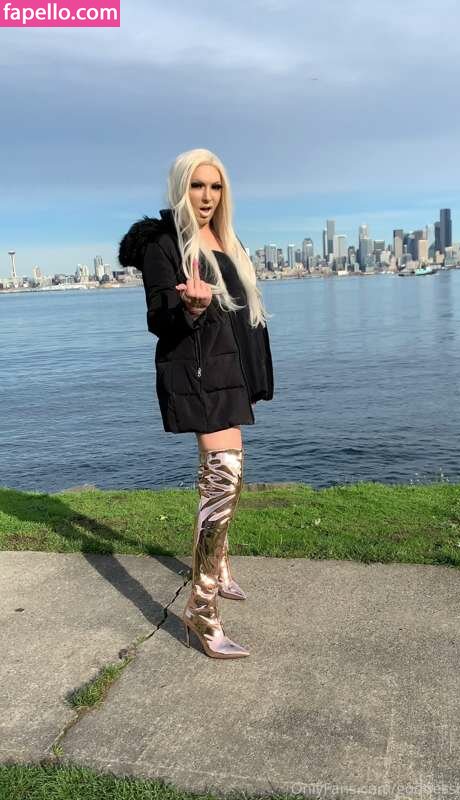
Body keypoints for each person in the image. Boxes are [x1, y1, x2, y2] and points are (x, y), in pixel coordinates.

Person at [118, 148, 274, 659]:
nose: (207, 196)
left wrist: (256, 369)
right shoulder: (164, 244)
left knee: (227, 475)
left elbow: (242, 311)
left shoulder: (227, 239)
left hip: (232, 367)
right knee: (224, 475)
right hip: (199, 370)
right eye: (197, 186)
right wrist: (189, 306)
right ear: (180, 188)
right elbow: (158, 318)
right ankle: (201, 609)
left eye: (216, 186)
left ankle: (219, 565)